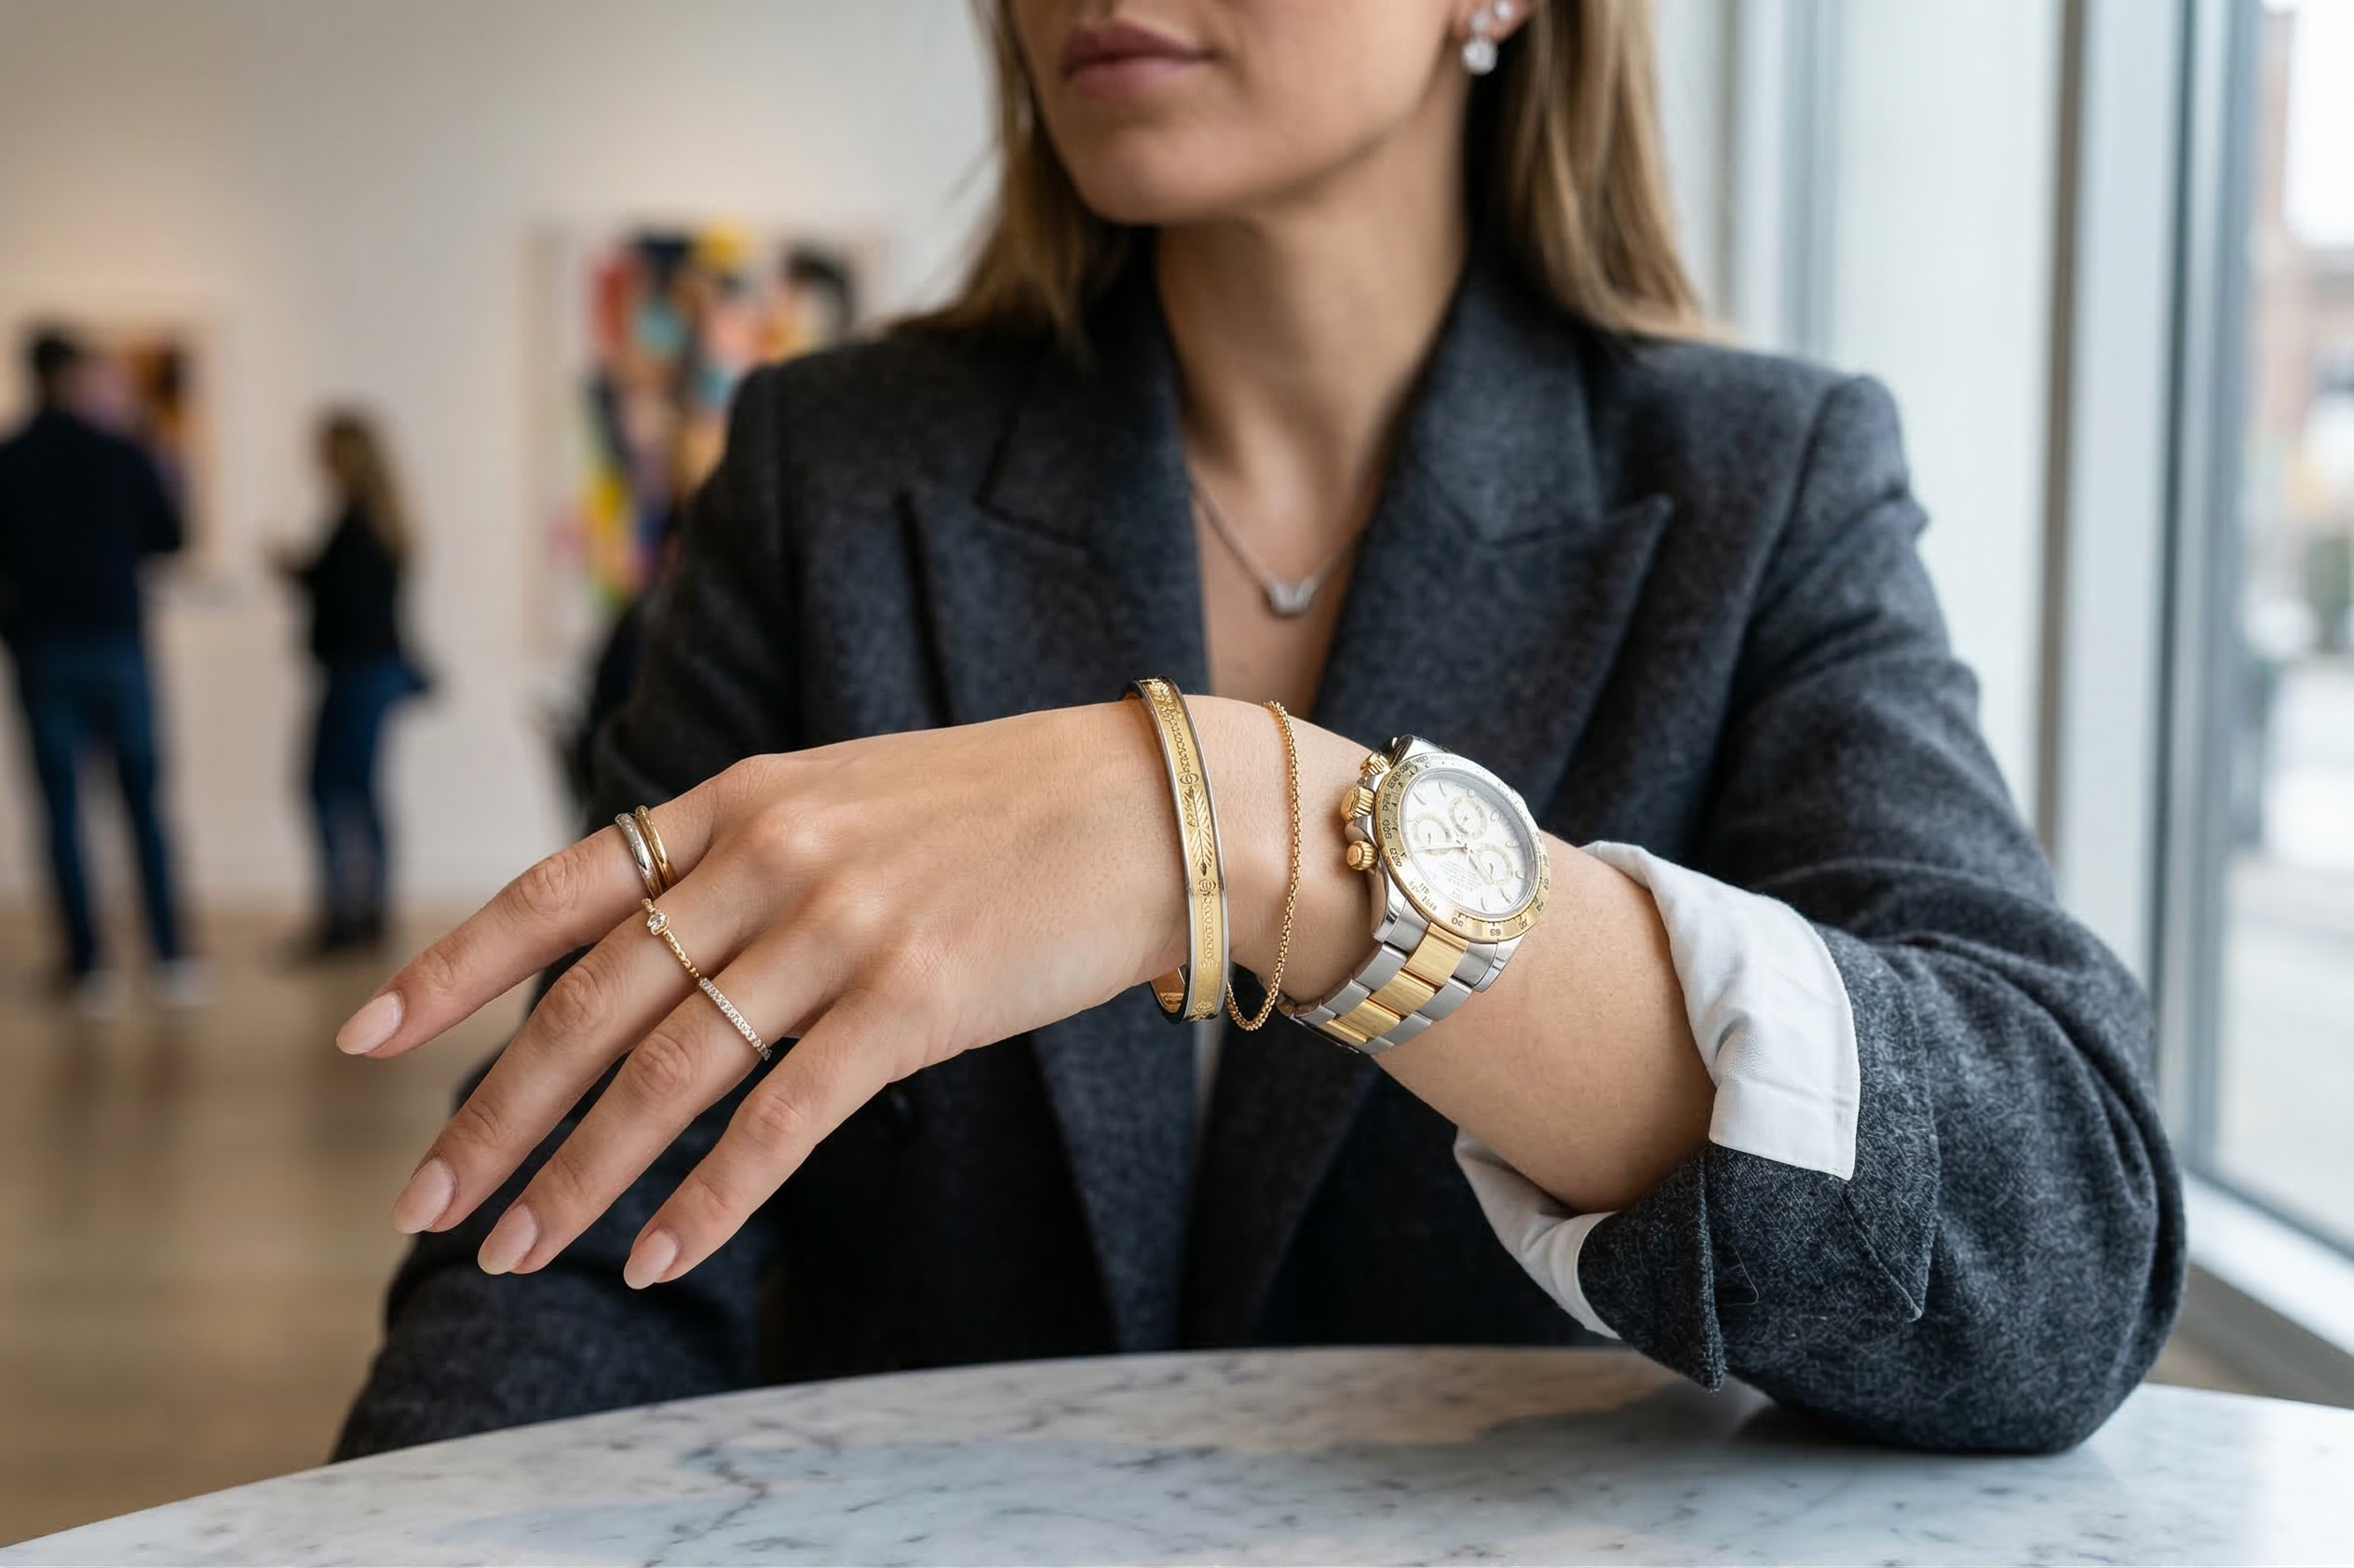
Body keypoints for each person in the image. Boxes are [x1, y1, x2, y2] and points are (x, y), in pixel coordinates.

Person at [334, 0, 2185, 1459]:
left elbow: (2059, 1240)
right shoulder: (835, 476)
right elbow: (575, 1252)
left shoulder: (1756, 487)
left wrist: (1260, 823)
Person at [0, 327, 201, 1014]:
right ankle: (171, 957)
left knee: (62, 810)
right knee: (143, 802)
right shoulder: (121, 451)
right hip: (118, 647)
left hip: (45, 651)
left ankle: (88, 967)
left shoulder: (10, 458)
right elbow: (170, 535)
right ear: (75, 376)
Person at [273, 412, 426, 958]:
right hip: (370, 674)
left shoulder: (358, 523)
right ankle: (366, 913)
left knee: (331, 790)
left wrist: (303, 575)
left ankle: (346, 917)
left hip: (356, 675)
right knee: (358, 791)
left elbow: (350, 601)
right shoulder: (378, 520)